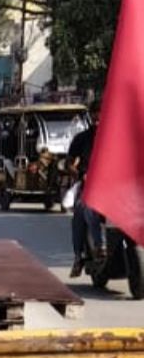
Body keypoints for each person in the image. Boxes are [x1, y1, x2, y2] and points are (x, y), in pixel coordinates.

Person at [66, 106, 101, 279]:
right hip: (90, 187)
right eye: (95, 114)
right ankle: (82, 255)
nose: (97, 117)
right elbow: (69, 162)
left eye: (101, 113)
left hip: (116, 187)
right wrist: (80, 174)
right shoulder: (82, 138)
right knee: (82, 209)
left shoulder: (118, 138)